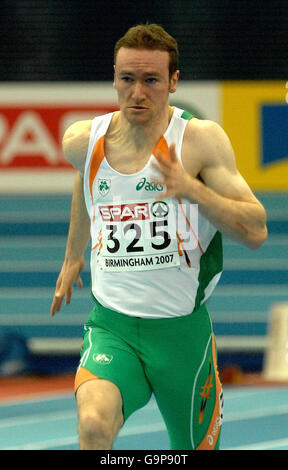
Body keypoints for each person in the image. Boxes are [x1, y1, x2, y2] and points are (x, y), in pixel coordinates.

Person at [50, 23, 267, 450]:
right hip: (112, 325)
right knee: (93, 425)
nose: (137, 93)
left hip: (181, 336)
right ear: (114, 77)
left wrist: (194, 190)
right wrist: (73, 253)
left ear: (173, 82)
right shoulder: (82, 141)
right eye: (127, 79)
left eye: (151, 80)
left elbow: (256, 229)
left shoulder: (199, 143)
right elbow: (85, 179)